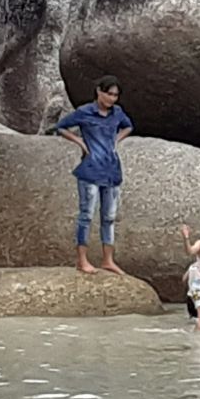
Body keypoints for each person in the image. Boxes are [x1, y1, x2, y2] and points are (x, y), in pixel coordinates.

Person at [54, 75, 133, 275]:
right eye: (109, 94)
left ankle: (108, 260)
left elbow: (128, 126)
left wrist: (116, 140)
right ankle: (82, 260)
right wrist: (80, 142)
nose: (112, 99)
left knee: (109, 217)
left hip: (112, 170)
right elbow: (60, 127)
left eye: (115, 95)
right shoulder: (85, 112)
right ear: (99, 91)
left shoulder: (117, 113)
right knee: (86, 215)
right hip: (90, 170)